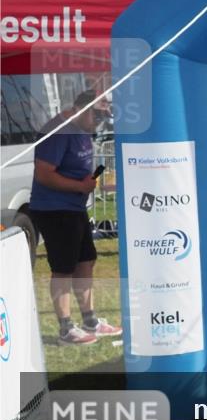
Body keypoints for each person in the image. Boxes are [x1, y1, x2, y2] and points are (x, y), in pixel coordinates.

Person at [29, 90, 122, 345]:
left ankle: (89, 320)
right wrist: (79, 187)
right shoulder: (58, 131)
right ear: (81, 108)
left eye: (104, 117)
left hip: (74, 208)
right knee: (63, 268)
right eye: (97, 116)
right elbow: (44, 174)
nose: (100, 122)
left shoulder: (81, 129)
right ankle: (65, 328)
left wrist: (88, 182)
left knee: (86, 262)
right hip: (55, 209)